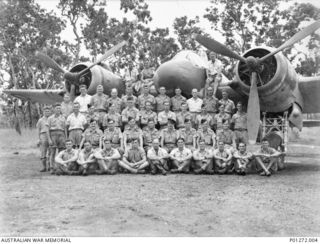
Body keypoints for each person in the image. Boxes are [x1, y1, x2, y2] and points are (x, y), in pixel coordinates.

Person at [46, 103, 66, 172]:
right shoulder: (50, 118)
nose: (58, 110)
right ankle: (52, 167)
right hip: (53, 134)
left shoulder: (63, 117)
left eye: (59, 108)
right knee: (52, 152)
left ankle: (60, 167)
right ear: (54, 109)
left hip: (61, 134)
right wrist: (49, 139)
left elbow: (65, 128)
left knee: (61, 152)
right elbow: (47, 129)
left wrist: (65, 138)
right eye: (57, 108)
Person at [36, 106, 51, 172]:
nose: (47, 112)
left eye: (48, 111)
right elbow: (38, 130)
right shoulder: (40, 120)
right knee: (43, 152)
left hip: (50, 135)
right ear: (43, 112)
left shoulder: (51, 118)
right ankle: (44, 167)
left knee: (51, 152)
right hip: (43, 135)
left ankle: (50, 166)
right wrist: (38, 139)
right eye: (46, 111)